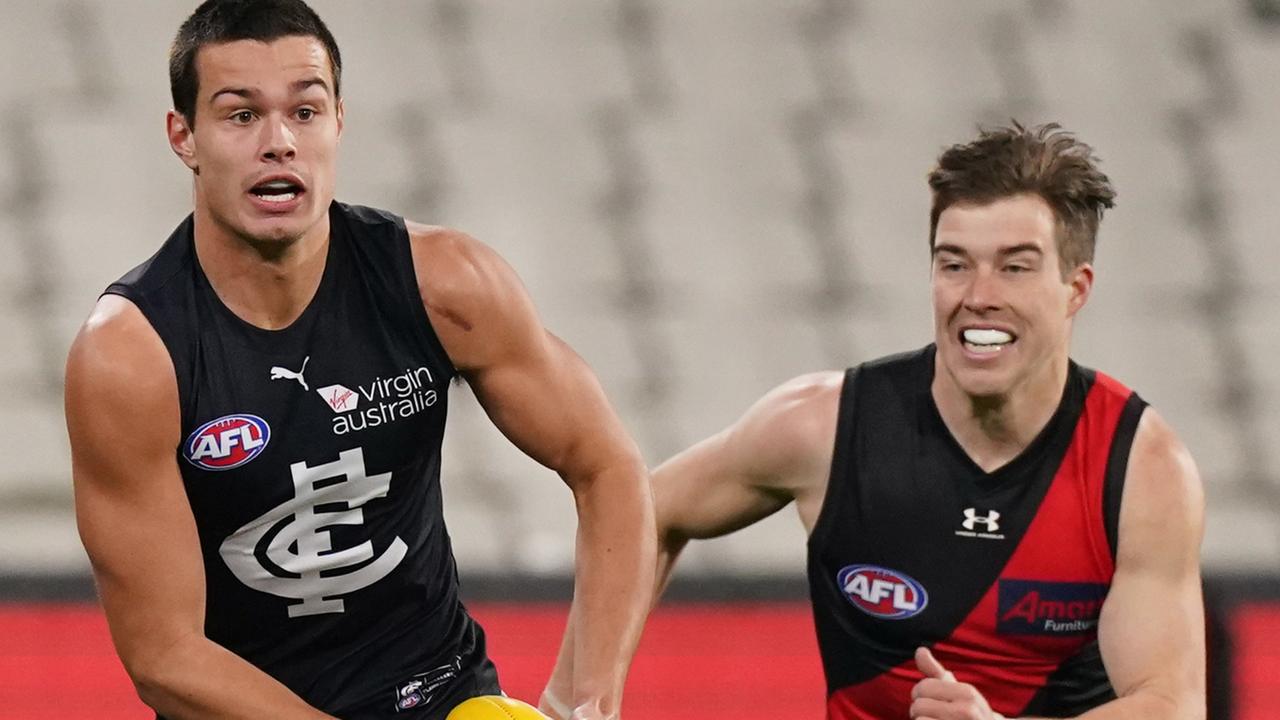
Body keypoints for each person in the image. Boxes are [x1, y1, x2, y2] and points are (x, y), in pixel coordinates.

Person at [63, 2, 654, 718]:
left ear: (341, 120)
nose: (279, 142)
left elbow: (609, 466)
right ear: (183, 136)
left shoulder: (446, 283)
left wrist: (584, 702)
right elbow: (163, 657)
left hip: (443, 697)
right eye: (241, 115)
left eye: (305, 112)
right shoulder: (130, 355)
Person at [553, 122, 1205, 719]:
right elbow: (643, 508)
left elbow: (1172, 705)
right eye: (954, 264)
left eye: (1014, 267)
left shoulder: (1139, 468)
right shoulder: (825, 428)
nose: (979, 297)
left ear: (1076, 289)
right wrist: (582, 700)